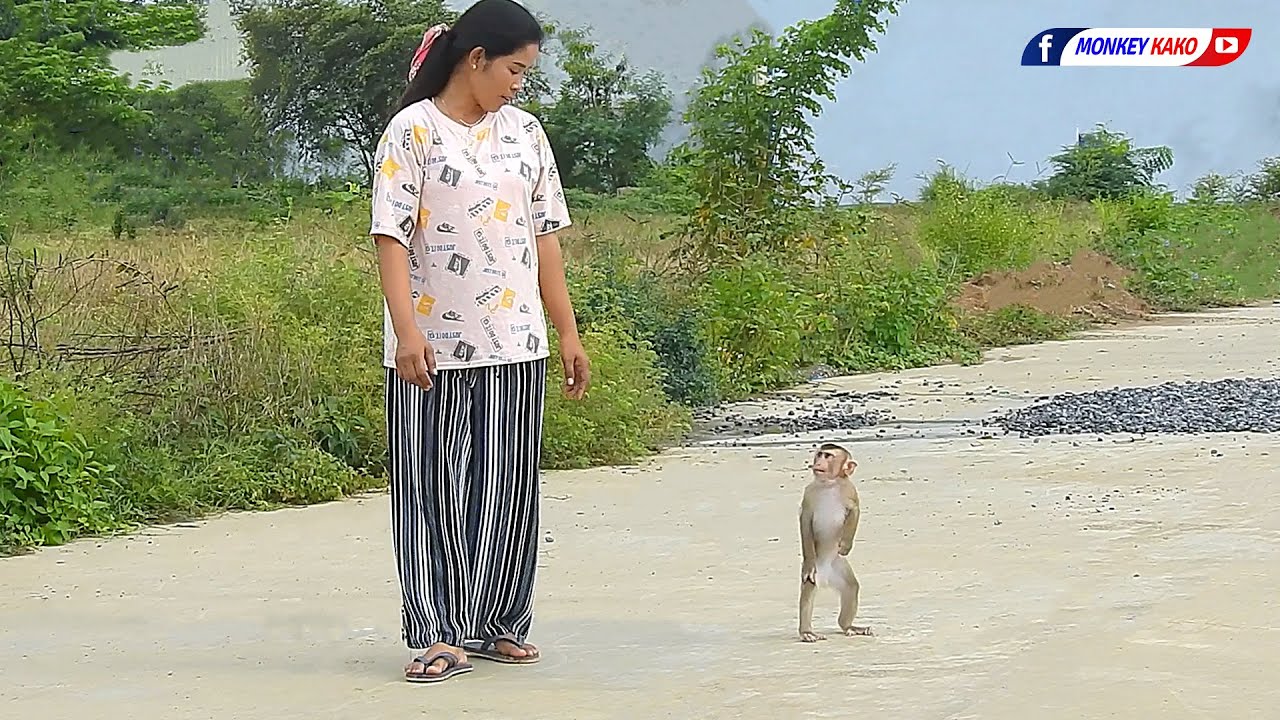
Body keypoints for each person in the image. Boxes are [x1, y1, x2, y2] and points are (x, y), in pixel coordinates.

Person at [368, 0, 590, 684]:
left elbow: (545, 239)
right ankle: (437, 633)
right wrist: (407, 332)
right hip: (430, 347)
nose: (519, 84)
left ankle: (498, 623)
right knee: (429, 488)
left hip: (516, 341)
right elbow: (390, 236)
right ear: (475, 59)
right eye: (515, 69)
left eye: (527, 73)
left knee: (510, 488)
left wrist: (568, 331)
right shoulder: (413, 131)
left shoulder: (525, 134)